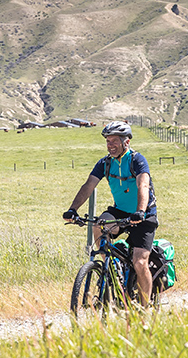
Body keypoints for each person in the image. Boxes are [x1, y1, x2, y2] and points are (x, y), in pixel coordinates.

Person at [63, 121, 158, 307]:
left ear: (126, 142)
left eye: (114, 141)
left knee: (140, 262)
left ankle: (145, 309)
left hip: (144, 214)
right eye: (108, 141)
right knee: (98, 225)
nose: (110, 145)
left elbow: (143, 185)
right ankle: (110, 268)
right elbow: (88, 186)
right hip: (120, 211)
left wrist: (140, 211)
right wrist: (73, 209)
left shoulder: (137, 160)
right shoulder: (105, 163)